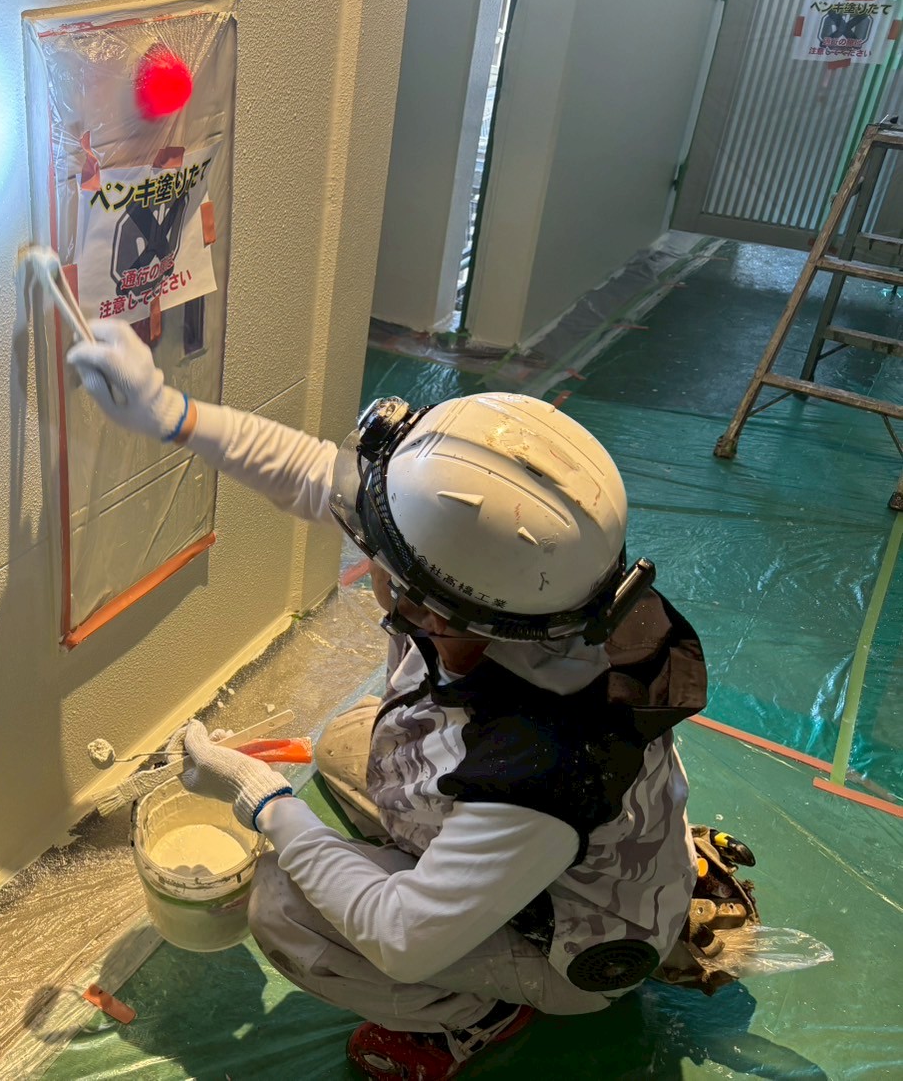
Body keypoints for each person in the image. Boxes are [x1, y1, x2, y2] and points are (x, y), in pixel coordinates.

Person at [67, 320, 708, 1081]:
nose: (363, 548)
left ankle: (475, 1016)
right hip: (553, 844)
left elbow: (402, 938)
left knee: (283, 904)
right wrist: (170, 413)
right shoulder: (540, 593)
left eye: (377, 553)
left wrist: (260, 798)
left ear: (429, 608)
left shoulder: (540, 765)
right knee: (348, 742)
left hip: (571, 942)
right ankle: (463, 894)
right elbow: (314, 475)